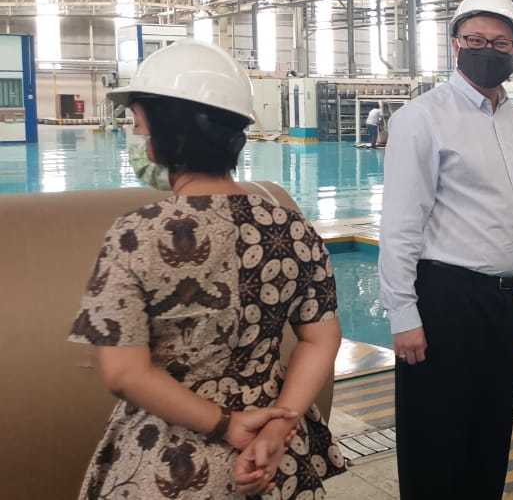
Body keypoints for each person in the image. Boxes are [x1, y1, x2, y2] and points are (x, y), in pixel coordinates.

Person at [68, 40, 346, 499]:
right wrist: (279, 425)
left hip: (167, 460)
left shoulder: (136, 235)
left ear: (165, 138)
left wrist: (226, 424)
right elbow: (322, 338)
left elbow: (123, 373)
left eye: (139, 126)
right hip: (274, 458)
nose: (137, 139)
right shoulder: (291, 227)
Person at [379, 0, 513, 499]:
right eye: (475, 40)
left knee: (489, 434)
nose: (487, 50)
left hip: (500, 303)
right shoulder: (422, 118)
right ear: (455, 43)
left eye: (499, 42)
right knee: (436, 439)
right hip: (445, 300)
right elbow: (401, 224)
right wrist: (403, 315)